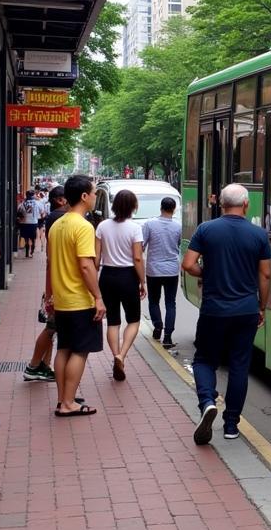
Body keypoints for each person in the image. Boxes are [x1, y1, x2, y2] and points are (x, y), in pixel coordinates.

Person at [182, 183, 271, 445]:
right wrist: (262, 307)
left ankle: (207, 401)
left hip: (214, 308)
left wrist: (206, 274)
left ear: (221, 204)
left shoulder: (206, 230)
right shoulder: (258, 235)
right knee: (239, 365)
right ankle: (231, 424)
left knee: (204, 360)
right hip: (246, 310)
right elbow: (265, 274)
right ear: (246, 205)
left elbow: (188, 264)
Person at [46, 175, 103, 416]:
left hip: (61, 299)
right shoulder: (83, 226)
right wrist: (98, 297)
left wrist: (48, 295)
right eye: (93, 193)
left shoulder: (57, 225)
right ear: (83, 196)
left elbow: (49, 264)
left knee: (63, 349)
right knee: (80, 351)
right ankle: (69, 403)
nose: (94, 197)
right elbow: (86, 266)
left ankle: (63, 400)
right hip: (79, 300)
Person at [95, 189, 146, 382]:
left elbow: (97, 258)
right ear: (133, 206)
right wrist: (143, 281)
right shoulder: (135, 228)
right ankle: (121, 355)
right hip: (128, 276)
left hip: (107, 276)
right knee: (133, 320)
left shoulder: (102, 226)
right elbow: (138, 258)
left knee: (113, 321)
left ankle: (115, 354)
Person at [24, 185, 68, 383]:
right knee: (51, 327)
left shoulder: (53, 217)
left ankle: (43, 366)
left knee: (53, 327)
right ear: (61, 199)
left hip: (56, 282)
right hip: (61, 285)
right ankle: (34, 365)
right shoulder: (60, 218)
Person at [142, 196, 181, 348]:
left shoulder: (150, 224)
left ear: (161, 208)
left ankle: (158, 326)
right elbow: (178, 245)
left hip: (154, 269)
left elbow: (142, 245)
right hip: (172, 269)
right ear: (174, 209)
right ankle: (168, 336)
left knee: (154, 300)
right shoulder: (178, 226)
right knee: (171, 303)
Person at [18, 189, 39, 257]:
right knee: (33, 237)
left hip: (24, 222)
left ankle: (27, 251)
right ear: (33, 195)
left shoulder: (23, 203)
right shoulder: (36, 203)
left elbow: (19, 210)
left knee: (26, 238)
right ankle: (33, 246)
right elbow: (41, 211)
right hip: (33, 222)